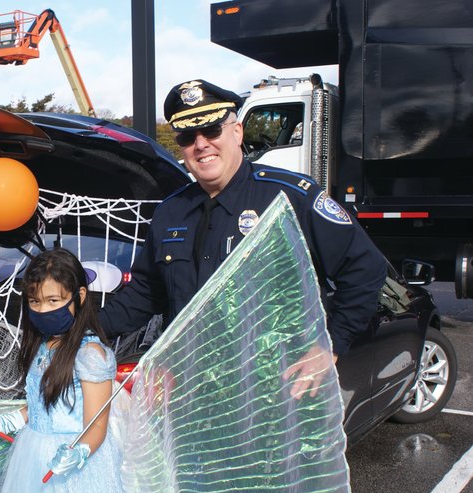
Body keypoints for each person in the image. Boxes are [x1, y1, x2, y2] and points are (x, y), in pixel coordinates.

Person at [99, 79, 387, 398]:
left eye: (211, 131)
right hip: (192, 397)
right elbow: (145, 294)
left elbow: (365, 268)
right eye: (188, 136)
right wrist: (81, 328)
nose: (201, 144)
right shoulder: (170, 213)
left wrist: (329, 344)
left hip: (274, 397)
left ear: (236, 132)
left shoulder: (289, 198)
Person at [0, 248, 149, 493]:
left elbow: (97, 424)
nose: (43, 309)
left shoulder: (91, 353)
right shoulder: (42, 344)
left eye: (54, 301)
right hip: (33, 458)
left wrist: (78, 452)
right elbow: (45, 402)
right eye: (35, 302)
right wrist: (11, 418)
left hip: (78, 467)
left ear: (79, 296)